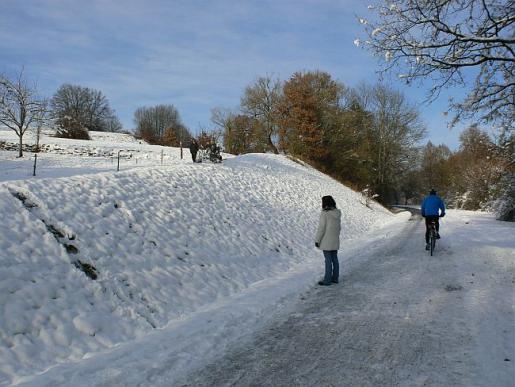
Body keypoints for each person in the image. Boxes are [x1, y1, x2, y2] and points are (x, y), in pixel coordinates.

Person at [315, 195, 342, 286]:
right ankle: (335, 278)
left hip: (326, 241)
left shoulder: (325, 214)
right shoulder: (337, 213)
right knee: (335, 259)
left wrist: (317, 240)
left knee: (328, 261)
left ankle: (327, 280)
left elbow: (321, 228)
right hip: (335, 240)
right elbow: (339, 228)